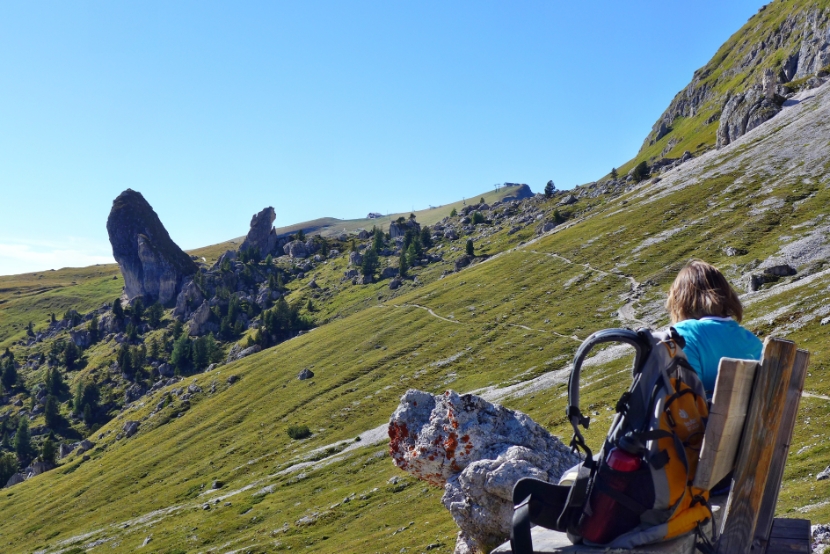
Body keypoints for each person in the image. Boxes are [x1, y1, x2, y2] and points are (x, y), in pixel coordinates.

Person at [666, 260, 762, 398]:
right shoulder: (752, 341)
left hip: (706, 419)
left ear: (681, 301)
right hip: (751, 419)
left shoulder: (684, 334)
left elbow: (683, 400)